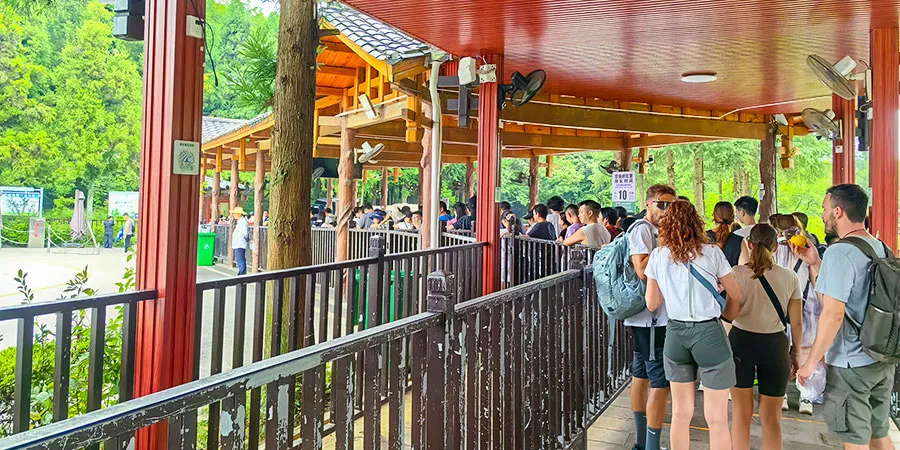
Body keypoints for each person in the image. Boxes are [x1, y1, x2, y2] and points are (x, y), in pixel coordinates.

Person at [794, 184, 894, 449]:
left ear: (838, 212)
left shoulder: (840, 251)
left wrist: (810, 362)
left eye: (825, 210)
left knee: (854, 438)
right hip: (882, 357)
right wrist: (815, 263)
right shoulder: (881, 247)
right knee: (878, 431)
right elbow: (831, 302)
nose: (823, 215)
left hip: (851, 363)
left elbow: (833, 314)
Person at [644, 200, 742, 450]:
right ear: (696, 222)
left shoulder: (657, 256)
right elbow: (736, 294)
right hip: (709, 332)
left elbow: (652, 303)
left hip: (676, 333)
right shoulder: (712, 252)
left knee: (680, 413)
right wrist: (727, 318)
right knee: (717, 419)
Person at [729, 224, 803, 450]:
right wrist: (796, 353)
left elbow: (729, 314)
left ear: (749, 244)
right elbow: (797, 322)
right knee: (771, 418)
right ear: (776, 247)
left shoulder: (737, 273)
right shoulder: (790, 277)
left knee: (741, 415)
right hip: (775, 346)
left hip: (741, 342)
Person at [626, 184, 676, 450]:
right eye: (662, 204)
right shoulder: (643, 230)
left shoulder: (655, 231)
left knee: (642, 374)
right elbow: (642, 269)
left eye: (671, 205)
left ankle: (642, 442)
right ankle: (651, 445)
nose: (667, 211)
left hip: (650, 318)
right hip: (651, 318)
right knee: (659, 380)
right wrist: (665, 245)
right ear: (648, 204)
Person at [707, 201, 749, 267]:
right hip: (733, 277)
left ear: (714, 216)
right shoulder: (739, 241)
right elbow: (744, 270)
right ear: (732, 218)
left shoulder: (702, 238)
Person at [230, 207, 250, 275]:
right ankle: (242, 273)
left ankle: (242, 273)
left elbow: (244, 233)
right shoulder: (241, 222)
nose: (234, 215)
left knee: (240, 259)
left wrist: (246, 239)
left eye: (234, 214)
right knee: (240, 259)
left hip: (239, 243)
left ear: (239, 214)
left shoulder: (242, 222)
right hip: (239, 243)